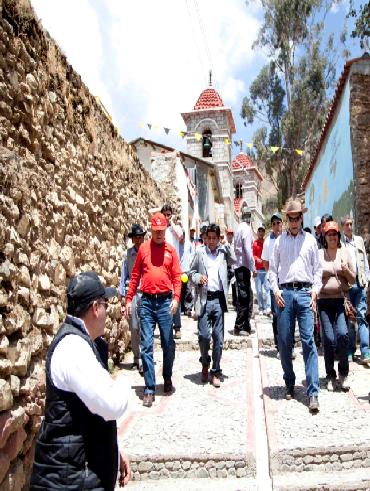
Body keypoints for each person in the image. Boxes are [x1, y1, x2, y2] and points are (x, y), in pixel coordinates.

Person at [30, 272, 131, 490]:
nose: (107, 312)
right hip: (69, 479)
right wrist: (124, 384)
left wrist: (115, 449)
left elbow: (92, 410)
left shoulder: (83, 343)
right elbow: (110, 405)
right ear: (95, 308)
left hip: (76, 476)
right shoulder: (73, 348)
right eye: (105, 304)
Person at [269, 199, 322, 413]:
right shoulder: (279, 242)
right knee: (284, 341)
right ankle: (289, 381)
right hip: (285, 294)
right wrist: (276, 290)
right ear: (286, 219)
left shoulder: (310, 241)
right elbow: (272, 270)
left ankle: (313, 392)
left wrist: (316, 291)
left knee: (309, 341)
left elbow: (318, 270)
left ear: (301, 218)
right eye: (289, 218)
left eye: (296, 218)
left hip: (305, 293)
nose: (292, 222)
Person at [126, 212, 182, 407]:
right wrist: (128, 299)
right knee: (147, 345)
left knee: (168, 344)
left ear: (165, 230)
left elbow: (177, 277)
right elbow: (134, 276)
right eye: (155, 230)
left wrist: (176, 298)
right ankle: (149, 388)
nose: (158, 234)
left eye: (162, 230)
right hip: (147, 303)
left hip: (166, 302)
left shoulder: (171, 251)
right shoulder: (143, 249)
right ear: (151, 230)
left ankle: (167, 376)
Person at [189, 224, 236, 387]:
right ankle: (205, 362)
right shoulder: (200, 252)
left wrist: (225, 245)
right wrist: (198, 278)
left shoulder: (223, 253)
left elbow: (234, 259)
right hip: (204, 299)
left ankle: (215, 370)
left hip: (218, 300)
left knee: (219, 339)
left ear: (218, 238)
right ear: (205, 238)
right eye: (208, 237)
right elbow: (190, 273)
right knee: (203, 336)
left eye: (214, 238)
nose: (211, 241)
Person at [318, 221, 355, 391]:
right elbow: (314, 277)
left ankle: (343, 373)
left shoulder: (345, 252)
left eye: (334, 234)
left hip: (341, 301)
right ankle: (330, 375)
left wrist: (345, 270)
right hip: (324, 301)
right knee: (328, 338)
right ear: (324, 237)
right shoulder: (319, 255)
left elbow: (353, 279)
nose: (332, 237)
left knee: (342, 334)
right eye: (329, 234)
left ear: (338, 236)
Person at [341, 215, 370, 364]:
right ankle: (351, 350)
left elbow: (364, 261)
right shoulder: (340, 244)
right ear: (342, 227)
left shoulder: (358, 240)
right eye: (347, 224)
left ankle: (365, 352)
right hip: (348, 287)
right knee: (350, 320)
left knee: (362, 317)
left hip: (360, 284)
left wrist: (367, 280)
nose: (350, 227)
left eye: (351, 224)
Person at [119, 223, 146, 373]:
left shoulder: (147, 252)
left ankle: (144, 356)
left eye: (140, 237)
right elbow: (124, 275)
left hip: (145, 292)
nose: (138, 240)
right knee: (134, 326)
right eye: (136, 237)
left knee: (144, 325)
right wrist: (124, 296)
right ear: (133, 239)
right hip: (133, 293)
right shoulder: (128, 254)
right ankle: (137, 357)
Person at [262, 212, 283, 353]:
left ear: (282, 223)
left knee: (287, 314)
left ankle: (289, 344)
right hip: (274, 282)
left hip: (286, 281)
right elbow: (265, 261)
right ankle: (278, 345)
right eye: (273, 223)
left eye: (278, 223)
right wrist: (271, 275)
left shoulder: (286, 238)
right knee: (276, 314)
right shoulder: (268, 241)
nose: (276, 226)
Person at [161, 204, 183, 339]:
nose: (167, 217)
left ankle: (177, 327)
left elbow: (180, 236)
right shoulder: (160, 230)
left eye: (169, 214)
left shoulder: (175, 228)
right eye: (165, 214)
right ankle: (166, 325)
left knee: (176, 296)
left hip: (174, 266)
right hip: (163, 267)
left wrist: (172, 222)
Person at [233, 205, 255, 335]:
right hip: (243, 266)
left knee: (245, 294)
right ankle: (240, 325)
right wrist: (253, 267)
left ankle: (245, 324)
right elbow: (247, 249)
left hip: (239, 266)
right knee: (244, 295)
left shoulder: (239, 228)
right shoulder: (246, 229)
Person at [253, 225, 271, 315]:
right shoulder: (255, 243)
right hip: (258, 270)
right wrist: (257, 259)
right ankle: (261, 307)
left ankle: (268, 307)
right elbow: (253, 255)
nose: (261, 232)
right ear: (257, 232)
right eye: (259, 231)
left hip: (266, 269)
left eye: (262, 231)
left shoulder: (266, 243)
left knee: (268, 289)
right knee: (259, 291)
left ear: (264, 233)